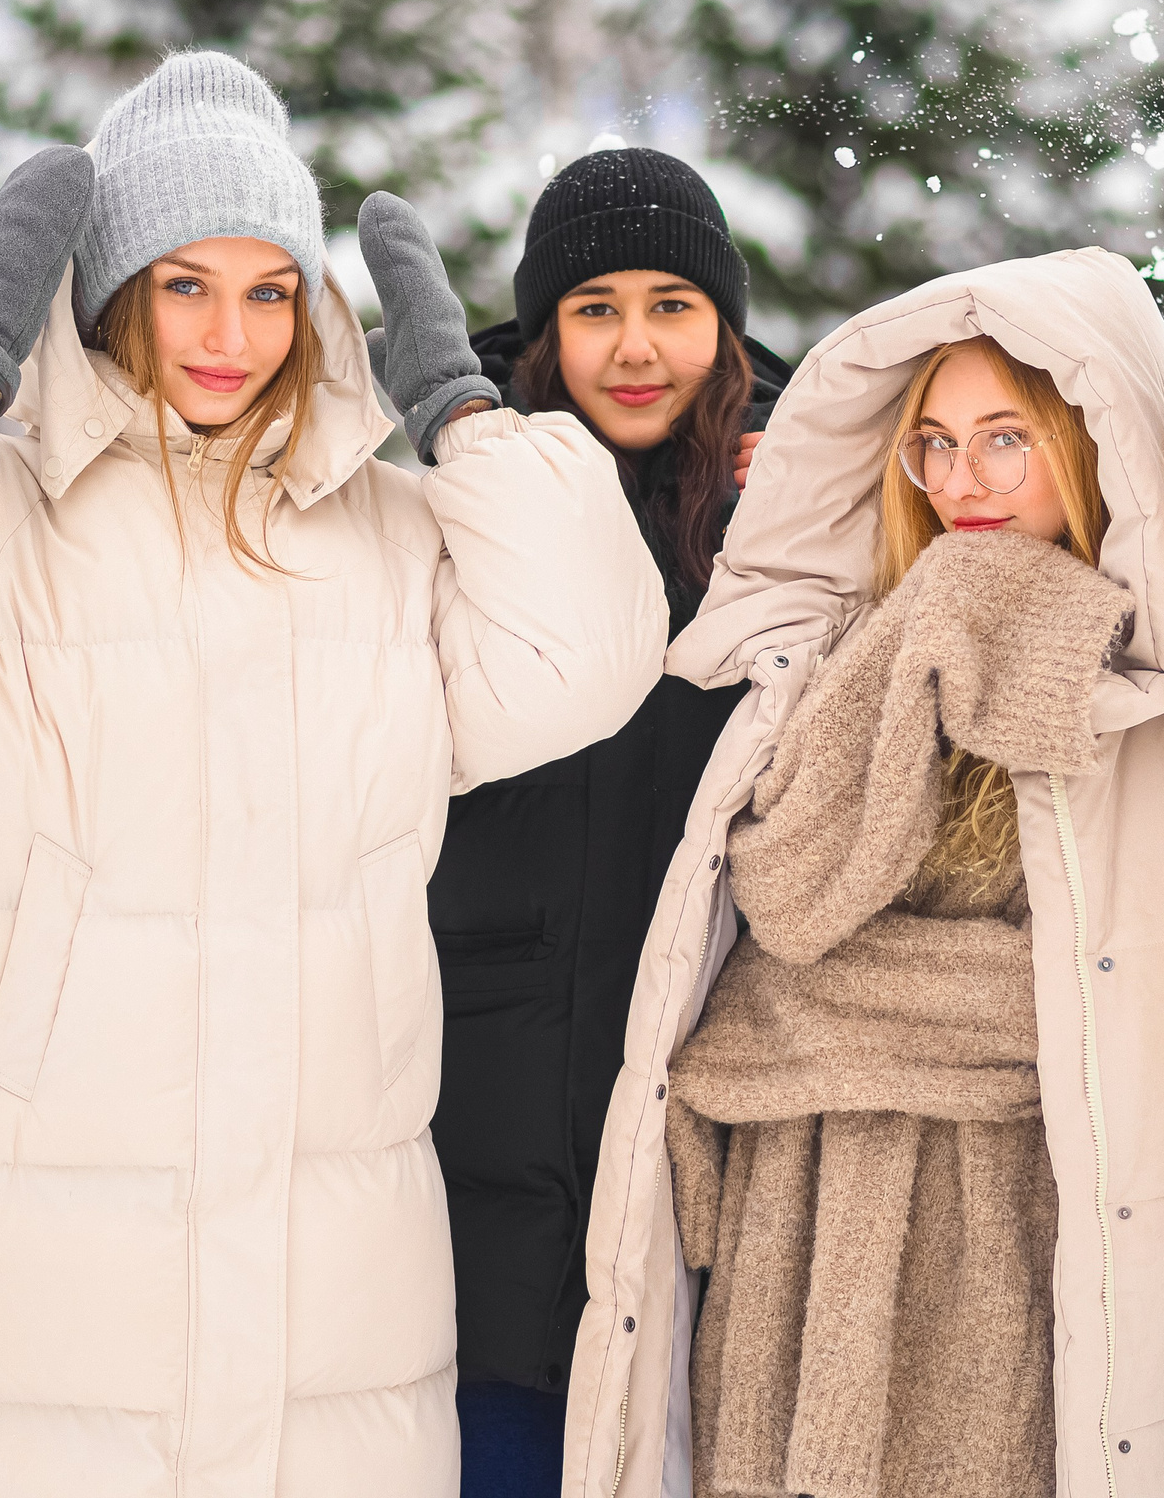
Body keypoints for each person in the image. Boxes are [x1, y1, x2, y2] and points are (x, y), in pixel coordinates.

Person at [0, 49, 666, 1494]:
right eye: (183, 282)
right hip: (14, 1253)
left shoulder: (390, 538)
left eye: (271, 290)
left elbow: (590, 655)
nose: (229, 333)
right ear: (109, 291)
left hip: (324, 1280)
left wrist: (460, 412)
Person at [560, 252, 1164, 1497]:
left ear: (1090, 445)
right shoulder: (845, 651)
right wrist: (929, 631)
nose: (960, 481)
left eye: (1004, 440)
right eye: (933, 443)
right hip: (797, 1221)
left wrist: (864, 1007)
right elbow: (791, 901)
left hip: (1025, 1223)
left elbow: (1162, 1012)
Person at [425, 146, 791, 1495]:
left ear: (724, 326)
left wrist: (802, 520)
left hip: (706, 1121)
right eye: (595, 309)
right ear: (544, 331)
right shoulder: (455, 499)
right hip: (481, 1119)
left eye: (672, 306)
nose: (636, 347)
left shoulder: (805, 512)